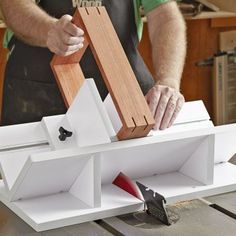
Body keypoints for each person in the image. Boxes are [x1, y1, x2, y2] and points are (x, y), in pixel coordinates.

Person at [0, 0, 186, 130]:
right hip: (37, 96)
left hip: (121, 96)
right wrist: (49, 30)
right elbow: (12, 5)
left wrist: (168, 80)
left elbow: (165, 16)